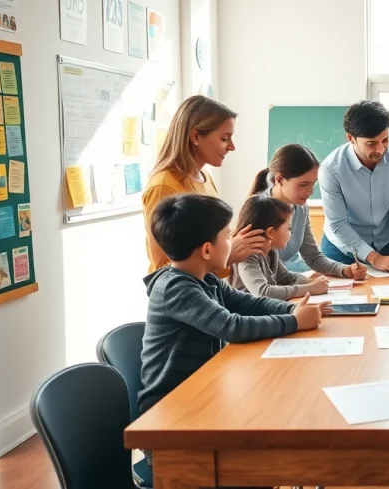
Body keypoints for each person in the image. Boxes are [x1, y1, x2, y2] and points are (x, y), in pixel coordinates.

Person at [139, 193, 330, 417]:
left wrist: (291, 309)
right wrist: (295, 321)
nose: (233, 243)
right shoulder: (175, 288)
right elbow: (232, 326)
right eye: (228, 237)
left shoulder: (207, 278)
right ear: (207, 250)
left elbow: (250, 304)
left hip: (204, 389)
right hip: (170, 410)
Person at [142, 95, 265, 275]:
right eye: (224, 138)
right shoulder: (163, 186)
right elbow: (162, 270)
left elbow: (207, 245)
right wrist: (228, 254)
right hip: (181, 298)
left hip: (206, 291)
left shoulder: (205, 177)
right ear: (195, 136)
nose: (232, 146)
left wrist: (235, 243)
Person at [318, 101, 389, 273]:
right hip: (342, 248)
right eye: (371, 144)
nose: (381, 149)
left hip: (386, 244)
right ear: (350, 138)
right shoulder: (331, 169)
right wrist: (375, 259)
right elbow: (338, 223)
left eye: (385, 140)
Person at [249, 144, 367, 280]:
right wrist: (305, 282)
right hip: (269, 291)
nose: (310, 191)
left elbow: (313, 257)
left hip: (292, 281)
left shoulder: (301, 207)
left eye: (313, 183)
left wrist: (345, 270)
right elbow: (260, 278)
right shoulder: (259, 211)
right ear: (280, 179)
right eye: (303, 184)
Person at [230, 195, 333, 300]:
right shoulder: (248, 256)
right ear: (270, 232)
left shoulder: (272, 251)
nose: (290, 233)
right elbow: (263, 292)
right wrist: (309, 288)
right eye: (289, 228)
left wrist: (309, 281)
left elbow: (286, 278)